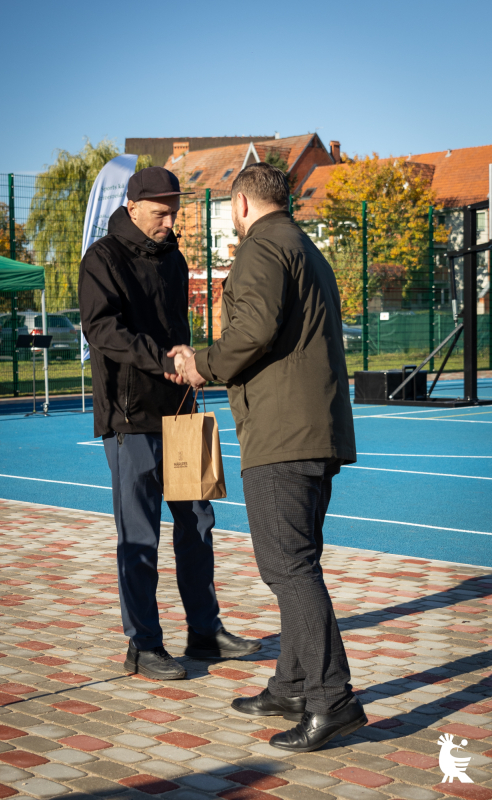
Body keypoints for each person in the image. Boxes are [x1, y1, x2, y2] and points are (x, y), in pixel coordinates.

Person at [167, 162, 366, 751]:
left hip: (282, 435)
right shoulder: (305, 247)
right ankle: (292, 684)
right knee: (298, 562)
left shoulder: (260, 248)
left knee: (288, 568)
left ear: (242, 205)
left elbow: (251, 331)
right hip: (317, 429)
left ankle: (333, 701)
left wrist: (200, 362)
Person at [78, 166, 260, 681]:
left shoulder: (175, 258)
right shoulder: (102, 259)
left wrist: (191, 365)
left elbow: (179, 330)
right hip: (130, 419)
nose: (168, 221)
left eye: (174, 212)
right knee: (139, 534)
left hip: (180, 412)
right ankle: (143, 644)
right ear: (133, 206)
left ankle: (204, 631)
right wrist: (165, 360)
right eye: (160, 212)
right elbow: (104, 333)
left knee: (197, 524)